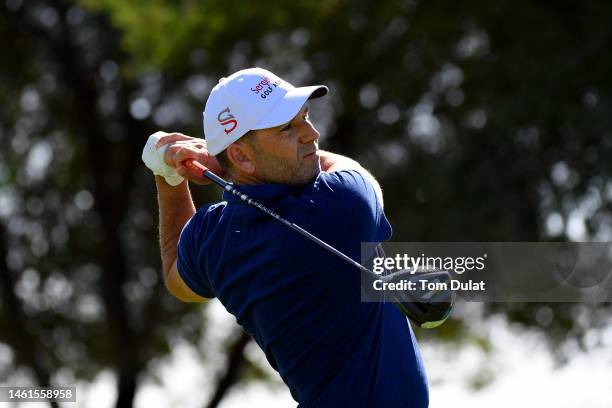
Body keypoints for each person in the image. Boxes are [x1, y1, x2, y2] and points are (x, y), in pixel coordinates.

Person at [143, 68, 429, 407]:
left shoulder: (212, 237)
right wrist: (219, 165)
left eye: (304, 117)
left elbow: (177, 277)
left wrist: (168, 179)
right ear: (242, 156)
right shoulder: (341, 205)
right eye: (287, 129)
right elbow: (351, 169)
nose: (311, 134)